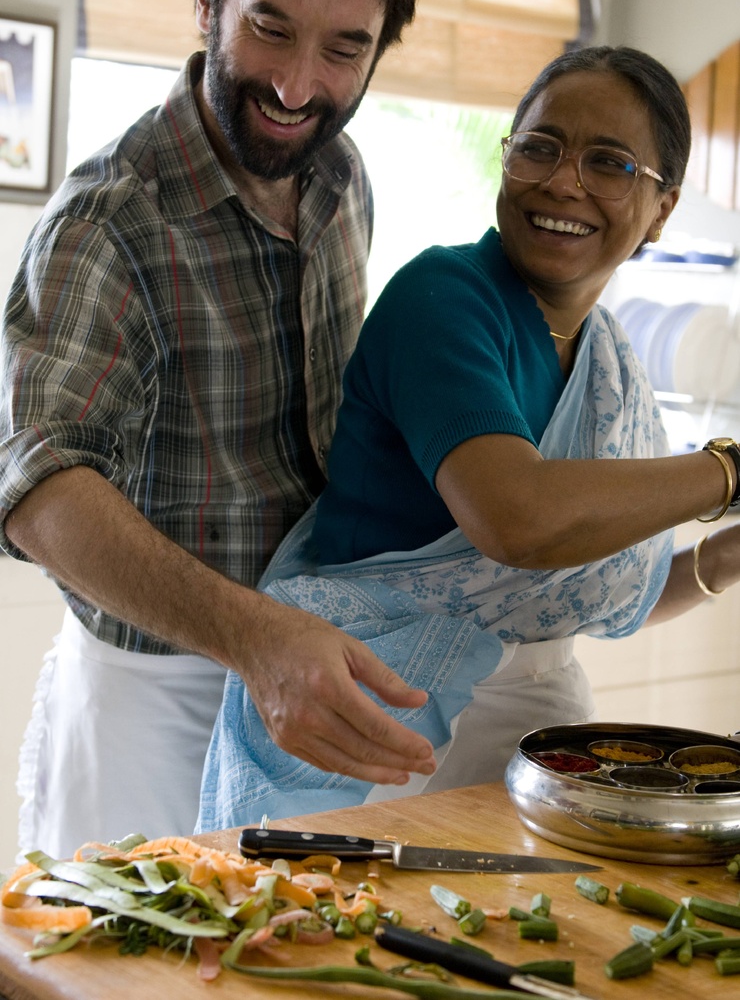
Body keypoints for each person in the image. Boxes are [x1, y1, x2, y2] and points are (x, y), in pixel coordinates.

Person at [198, 44, 740, 831]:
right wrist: (727, 469)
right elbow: (517, 521)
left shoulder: (608, 359)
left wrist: (720, 561)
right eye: (540, 148)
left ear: (661, 209)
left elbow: (585, 590)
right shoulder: (443, 299)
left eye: (610, 163)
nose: (563, 181)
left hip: (533, 737)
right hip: (371, 723)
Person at [0, 0, 435, 861]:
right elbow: (37, 489)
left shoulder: (339, 176)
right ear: (207, 5)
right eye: (269, 28)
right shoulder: (108, 222)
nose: (295, 84)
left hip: (309, 678)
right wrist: (252, 638)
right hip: (150, 695)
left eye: (342, 49)